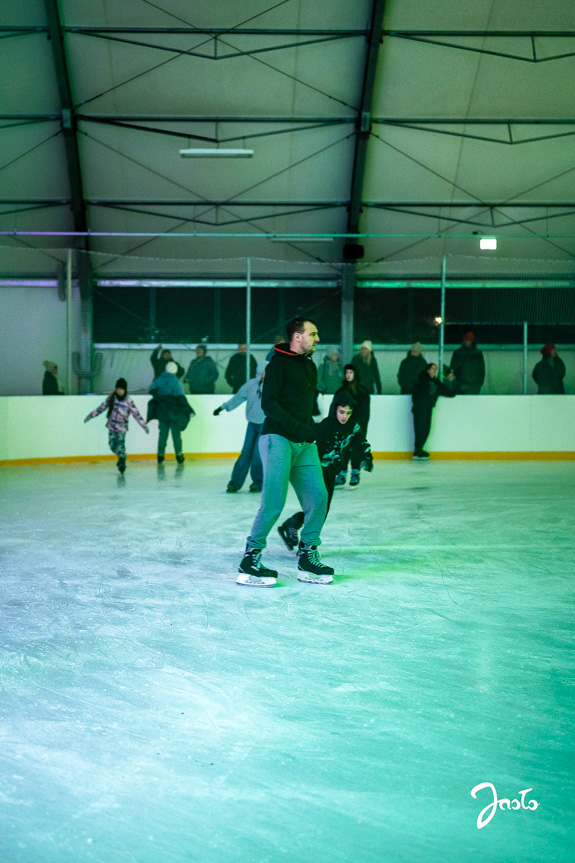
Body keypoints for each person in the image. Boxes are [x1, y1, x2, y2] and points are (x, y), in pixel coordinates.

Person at [237, 317, 333, 587]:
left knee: (319, 498)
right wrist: (298, 428)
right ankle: (251, 557)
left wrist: (312, 430)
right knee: (274, 502)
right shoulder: (277, 364)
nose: (317, 339)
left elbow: (305, 407)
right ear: (297, 337)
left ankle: (307, 554)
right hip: (277, 438)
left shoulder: (309, 366)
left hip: (304, 444)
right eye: (312, 334)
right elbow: (270, 405)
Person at [277, 390, 373, 551]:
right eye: (341, 412)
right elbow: (311, 447)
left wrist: (367, 457)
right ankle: (303, 539)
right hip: (316, 470)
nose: (344, 416)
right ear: (335, 409)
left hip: (331, 472)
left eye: (348, 413)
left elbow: (361, 443)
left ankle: (294, 525)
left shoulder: (353, 426)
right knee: (319, 507)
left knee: (322, 508)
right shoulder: (326, 425)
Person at [214, 361, 267, 492]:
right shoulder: (251, 385)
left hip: (266, 424)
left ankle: (258, 482)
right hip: (252, 424)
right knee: (245, 453)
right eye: (264, 372)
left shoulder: (273, 386)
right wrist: (223, 407)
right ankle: (235, 483)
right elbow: (238, 398)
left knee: (258, 454)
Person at [84, 377, 149, 473]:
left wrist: (144, 425)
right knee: (112, 446)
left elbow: (136, 414)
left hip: (121, 428)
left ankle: (122, 461)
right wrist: (91, 416)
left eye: (121, 389)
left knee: (120, 445)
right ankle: (121, 456)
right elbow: (101, 407)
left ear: (125, 390)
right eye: (117, 389)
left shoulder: (129, 401)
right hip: (111, 427)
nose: (119, 391)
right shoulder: (111, 398)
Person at [148, 361, 195, 464]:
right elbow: (181, 398)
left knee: (163, 434)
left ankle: (160, 455)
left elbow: (151, 389)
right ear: (175, 370)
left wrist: (159, 396)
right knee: (176, 434)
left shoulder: (159, 380)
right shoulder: (177, 382)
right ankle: (179, 455)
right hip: (175, 412)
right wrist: (190, 410)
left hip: (162, 411)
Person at [334, 364, 371, 487]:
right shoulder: (341, 391)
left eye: (351, 372)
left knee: (356, 449)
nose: (348, 375)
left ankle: (355, 472)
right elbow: (334, 409)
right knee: (342, 449)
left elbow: (364, 412)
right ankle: (342, 473)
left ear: (355, 374)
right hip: (342, 426)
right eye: (346, 373)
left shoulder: (362, 392)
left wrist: (359, 427)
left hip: (357, 426)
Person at [411, 363, 455, 460]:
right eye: (432, 368)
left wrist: (451, 381)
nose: (434, 370)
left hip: (428, 408)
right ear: (428, 370)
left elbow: (450, 393)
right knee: (420, 429)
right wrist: (417, 403)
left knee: (427, 429)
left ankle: (420, 449)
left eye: (435, 369)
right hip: (420, 408)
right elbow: (415, 392)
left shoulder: (437, 383)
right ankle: (417, 450)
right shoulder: (422, 379)